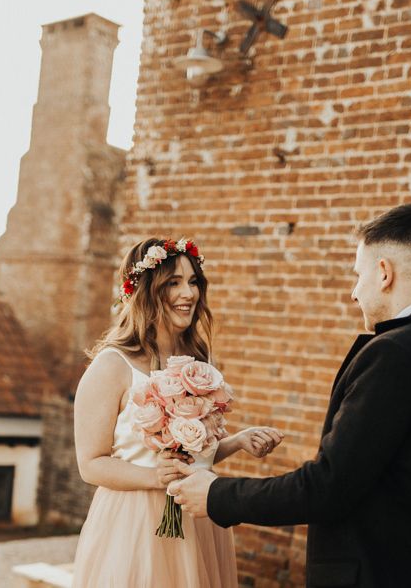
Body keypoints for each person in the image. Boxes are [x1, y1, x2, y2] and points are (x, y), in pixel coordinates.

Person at [169, 204, 411, 587]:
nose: (355, 292)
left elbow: (328, 486)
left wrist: (217, 495)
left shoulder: (393, 354)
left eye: (359, 276)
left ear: (384, 273)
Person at [72, 237, 284, 587]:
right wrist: (156, 477)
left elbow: (192, 455)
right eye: (174, 283)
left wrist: (236, 441)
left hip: (198, 517)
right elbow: (90, 464)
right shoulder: (112, 366)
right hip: (136, 524)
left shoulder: (199, 364)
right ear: (146, 290)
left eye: (193, 281)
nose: (189, 293)